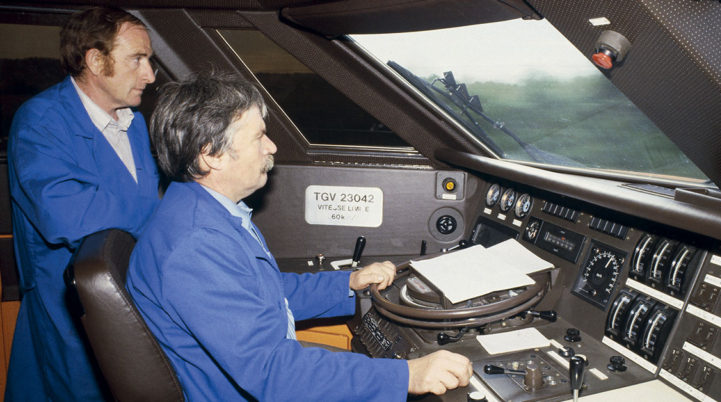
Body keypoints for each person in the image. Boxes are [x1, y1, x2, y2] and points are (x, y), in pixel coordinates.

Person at [126, 72, 473, 401]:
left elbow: (268, 294)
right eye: (259, 136)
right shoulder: (196, 245)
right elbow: (275, 375)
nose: (272, 146)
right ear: (211, 154)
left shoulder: (207, 213)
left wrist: (348, 284)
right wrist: (406, 377)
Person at [6, 7, 159, 401]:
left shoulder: (133, 122)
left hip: (130, 292)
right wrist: (167, 217)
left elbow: (137, 198)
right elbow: (66, 213)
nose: (150, 74)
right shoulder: (40, 120)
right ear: (95, 59)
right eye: (137, 60)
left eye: (150, 60)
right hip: (71, 308)